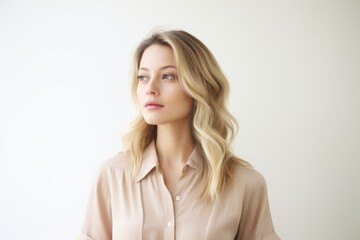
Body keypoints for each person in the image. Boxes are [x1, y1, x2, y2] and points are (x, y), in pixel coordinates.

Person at [76, 29, 280, 240]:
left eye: (167, 76)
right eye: (143, 77)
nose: (150, 89)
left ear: (199, 86)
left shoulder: (244, 184)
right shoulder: (112, 175)